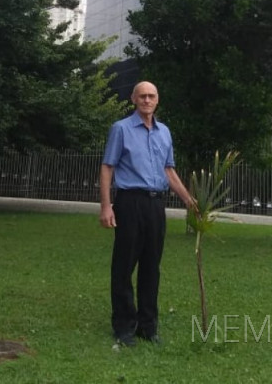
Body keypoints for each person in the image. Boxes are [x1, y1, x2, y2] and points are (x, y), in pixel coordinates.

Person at [100, 81, 196, 347]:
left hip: (156, 205)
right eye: (141, 96)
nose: (146, 100)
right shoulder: (120, 129)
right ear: (133, 99)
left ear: (157, 100)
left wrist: (189, 200)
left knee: (151, 267)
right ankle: (123, 327)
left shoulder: (164, 132)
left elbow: (169, 171)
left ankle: (148, 327)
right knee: (124, 266)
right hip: (129, 203)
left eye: (151, 96)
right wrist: (106, 206)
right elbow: (107, 167)